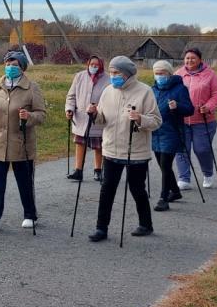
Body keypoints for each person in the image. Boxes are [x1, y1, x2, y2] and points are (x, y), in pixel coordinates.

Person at [88, 56, 162, 242]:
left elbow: (156, 121)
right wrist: (94, 114)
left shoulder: (145, 92)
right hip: (111, 149)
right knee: (107, 189)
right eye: (111, 73)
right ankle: (101, 228)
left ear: (127, 74)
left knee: (137, 188)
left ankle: (146, 224)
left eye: (117, 73)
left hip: (135, 150)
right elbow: (102, 120)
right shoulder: (108, 91)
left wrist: (140, 119)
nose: (113, 76)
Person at [0, 49, 47, 233]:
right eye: (8, 64)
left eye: (14, 65)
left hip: (22, 144)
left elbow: (41, 115)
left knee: (24, 182)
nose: (10, 67)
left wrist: (29, 116)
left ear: (22, 68)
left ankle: (30, 215)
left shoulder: (32, 87)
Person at [174, 47, 217, 191]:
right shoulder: (178, 74)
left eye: (193, 58)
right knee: (182, 149)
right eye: (187, 58)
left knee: (202, 149)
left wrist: (209, 107)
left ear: (200, 60)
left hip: (203, 120)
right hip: (182, 120)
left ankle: (208, 174)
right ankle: (184, 178)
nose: (189, 60)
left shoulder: (210, 74)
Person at [150, 60, 194, 212]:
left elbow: (190, 109)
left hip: (172, 132)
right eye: (156, 73)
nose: (159, 76)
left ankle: (163, 198)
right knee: (163, 166)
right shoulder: (153, 89)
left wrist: (178, 106)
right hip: (155, 132)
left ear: (169, 74)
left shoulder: (180, 88)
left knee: (165, 165)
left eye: (162, 73)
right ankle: (175, 191)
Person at [64, 54, 109, 182]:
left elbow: (109, 99)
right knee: (80, 143)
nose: (93, 67)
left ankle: (98, 170)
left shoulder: (107, 79)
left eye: (96, 65)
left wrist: (98, 109)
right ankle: (78, 170)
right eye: (91, 65)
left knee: (98, 145)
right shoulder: (79, 76)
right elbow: (71, 96)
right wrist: (69, 109)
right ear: (88, 64)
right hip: (81, 117)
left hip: (98, 117)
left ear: (101, 66)